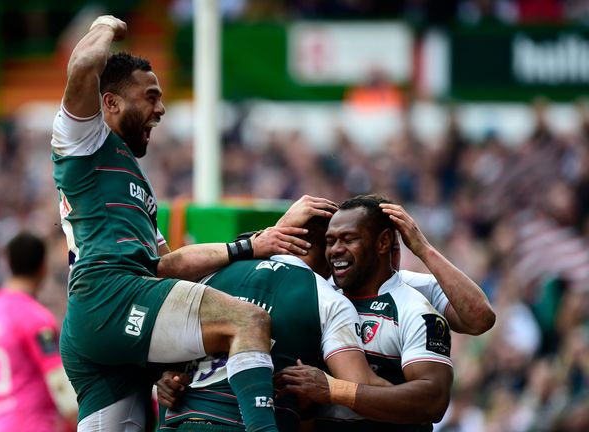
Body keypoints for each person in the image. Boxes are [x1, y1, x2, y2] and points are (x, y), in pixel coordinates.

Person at [51, 15, 313, 431]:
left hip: (102, 318)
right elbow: (84, 65)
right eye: (150, 96)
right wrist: (104, 25)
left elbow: (169, 267)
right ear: (111, 103)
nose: (161, 108)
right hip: (111, 294)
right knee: (248, 321)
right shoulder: (83, 140)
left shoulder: (134, 185)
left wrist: (249, 245)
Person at [156, 215, 390, 431]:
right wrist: (420, 397)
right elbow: (359, 387)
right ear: (328, 253)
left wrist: (166, 378)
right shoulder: (329, 299)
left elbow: (167, 355)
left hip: (182, 420)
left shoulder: (210, 275)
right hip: (246, 424)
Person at [275, 195, 456, 431]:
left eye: (348, 239)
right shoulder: (319, 298)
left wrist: (334, 390)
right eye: (330, 241)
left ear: (382, 243)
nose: (336, 250)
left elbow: (433, 401)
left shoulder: (414, 309)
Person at [0, 232, 78, 432]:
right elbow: (56, 378)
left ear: (8, 265)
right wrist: (76, 420)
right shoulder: (36, 318)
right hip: (33, 425)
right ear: (43, 267)